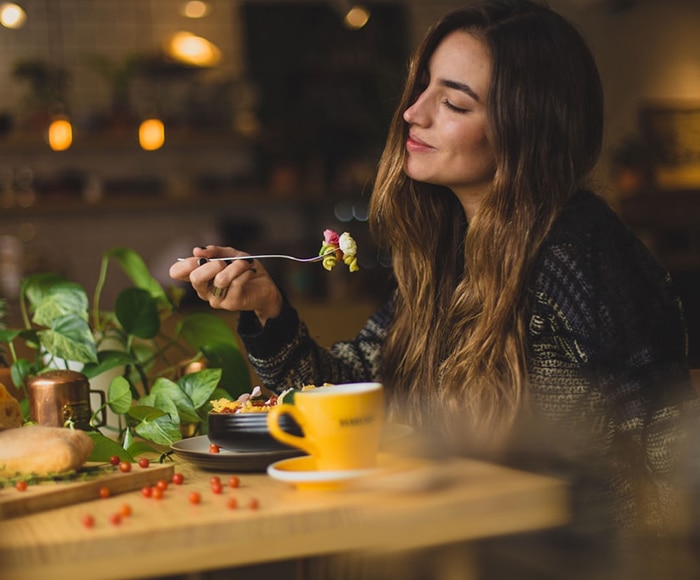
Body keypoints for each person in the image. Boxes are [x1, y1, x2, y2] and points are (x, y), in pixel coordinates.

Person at [170, 0, 697, 539]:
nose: (413, 113)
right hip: (464, 541)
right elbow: (353, 397)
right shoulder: (451, 254)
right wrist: (268, 309)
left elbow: (664, 445)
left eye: (454, 103)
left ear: (526, 129)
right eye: (422, 87)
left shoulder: (579, 254)